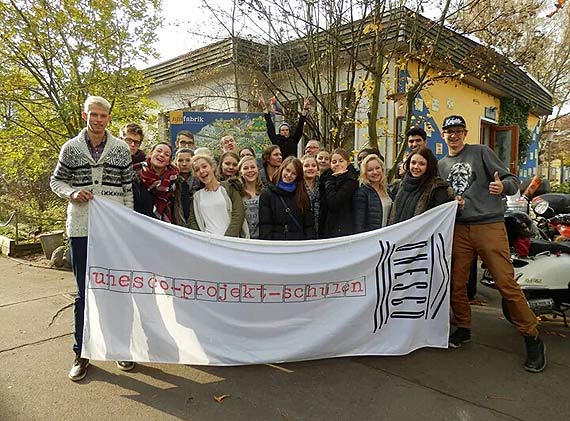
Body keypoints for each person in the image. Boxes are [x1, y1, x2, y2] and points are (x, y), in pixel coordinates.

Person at [438, 115, 546, 373]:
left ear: (465, 133)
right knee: (456, 284)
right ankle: (463, 327)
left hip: (489, 226)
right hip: (459, 228)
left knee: (506, 284)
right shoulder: (441, 165)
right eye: (449, 131)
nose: (454, 135)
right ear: (443, 135)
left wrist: (502, 187)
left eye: (458, 131)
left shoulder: (481, 152)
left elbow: (512, 181)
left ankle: (532, 336)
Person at [50, 96, 134, 381]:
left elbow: (127, 189)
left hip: (113, 230)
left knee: (117, 290)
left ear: (109, 117)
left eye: (103, 115)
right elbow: (56, 180)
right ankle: (81, 352)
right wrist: (71, 192)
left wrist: (127, 224)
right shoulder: (71, 148)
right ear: (85, 115)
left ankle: (121, 348)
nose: (98, 119)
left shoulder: (121, 149)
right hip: (82, 227)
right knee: (83, 292)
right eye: (93, 114)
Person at [388, 146, 454, 224]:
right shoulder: (399, 186)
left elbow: (442, 216)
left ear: (429, 166)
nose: (416, 167)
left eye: (421, 164)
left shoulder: (437, 189)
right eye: (413, 163)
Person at [189, 155, 249, 237]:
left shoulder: (229, 188)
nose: (201, 171)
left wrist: (228, 238)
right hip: (208, 242)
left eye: (204, 166)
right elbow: (193, 221)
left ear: (212, 167)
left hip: (230, 240)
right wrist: (201, 239)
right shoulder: (196, 196)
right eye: (197, 170)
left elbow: (238, 214)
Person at [259, 156, 314, 240]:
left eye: (294, 173)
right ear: (282, 169)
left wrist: (310, 243)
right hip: (276, 242)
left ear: (297, 176)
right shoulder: (267, 194)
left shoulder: (302, 194)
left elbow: (308, 224)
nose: (289, 175)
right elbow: (265, 225)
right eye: (287, 170)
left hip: (298, 242)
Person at [132, 143, 179, 222]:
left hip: (163, 225)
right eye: (159, 151)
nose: (161, 155)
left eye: (166, 154)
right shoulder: (134, 174)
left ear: (168, 162)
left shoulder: (174, 180)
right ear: (150, 154)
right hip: (136, 222)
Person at [320, 148, 359, 238]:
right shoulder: (325, 178)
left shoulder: (351, 180)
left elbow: (334, 202)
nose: (337, 164)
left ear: (347, 163)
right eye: (334, 162)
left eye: (341, 161)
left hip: (343, 228)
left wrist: (331, 181)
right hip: (328, 226)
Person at [353, 154, 393, 233]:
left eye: (377, 168)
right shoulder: (362, 193)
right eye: (370, 170)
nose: (375, 172)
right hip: (373, 237)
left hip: (387, 235)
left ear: (382, 169)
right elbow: (359, 224)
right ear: (365, 173)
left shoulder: (387, 190)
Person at [172, 148, 198, 227]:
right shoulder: (171, 182)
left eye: (188, 160)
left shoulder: (200, 182)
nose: (184, 164)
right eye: (180, 160)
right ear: (175, 162)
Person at [238, 155, 263, 239]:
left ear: (258, 169)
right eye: (245, 168)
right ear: (240, 172)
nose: (250, 170)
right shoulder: (236, 193)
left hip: (263, 239)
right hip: (243, 240)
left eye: (253, 167)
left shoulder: (265, 192)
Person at [301, 154, 321, 237]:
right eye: (306, 166)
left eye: (313, 165)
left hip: (321, 231)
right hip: (302, 231)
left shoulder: (323, 185)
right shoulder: (297, 186)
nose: (310, 168)